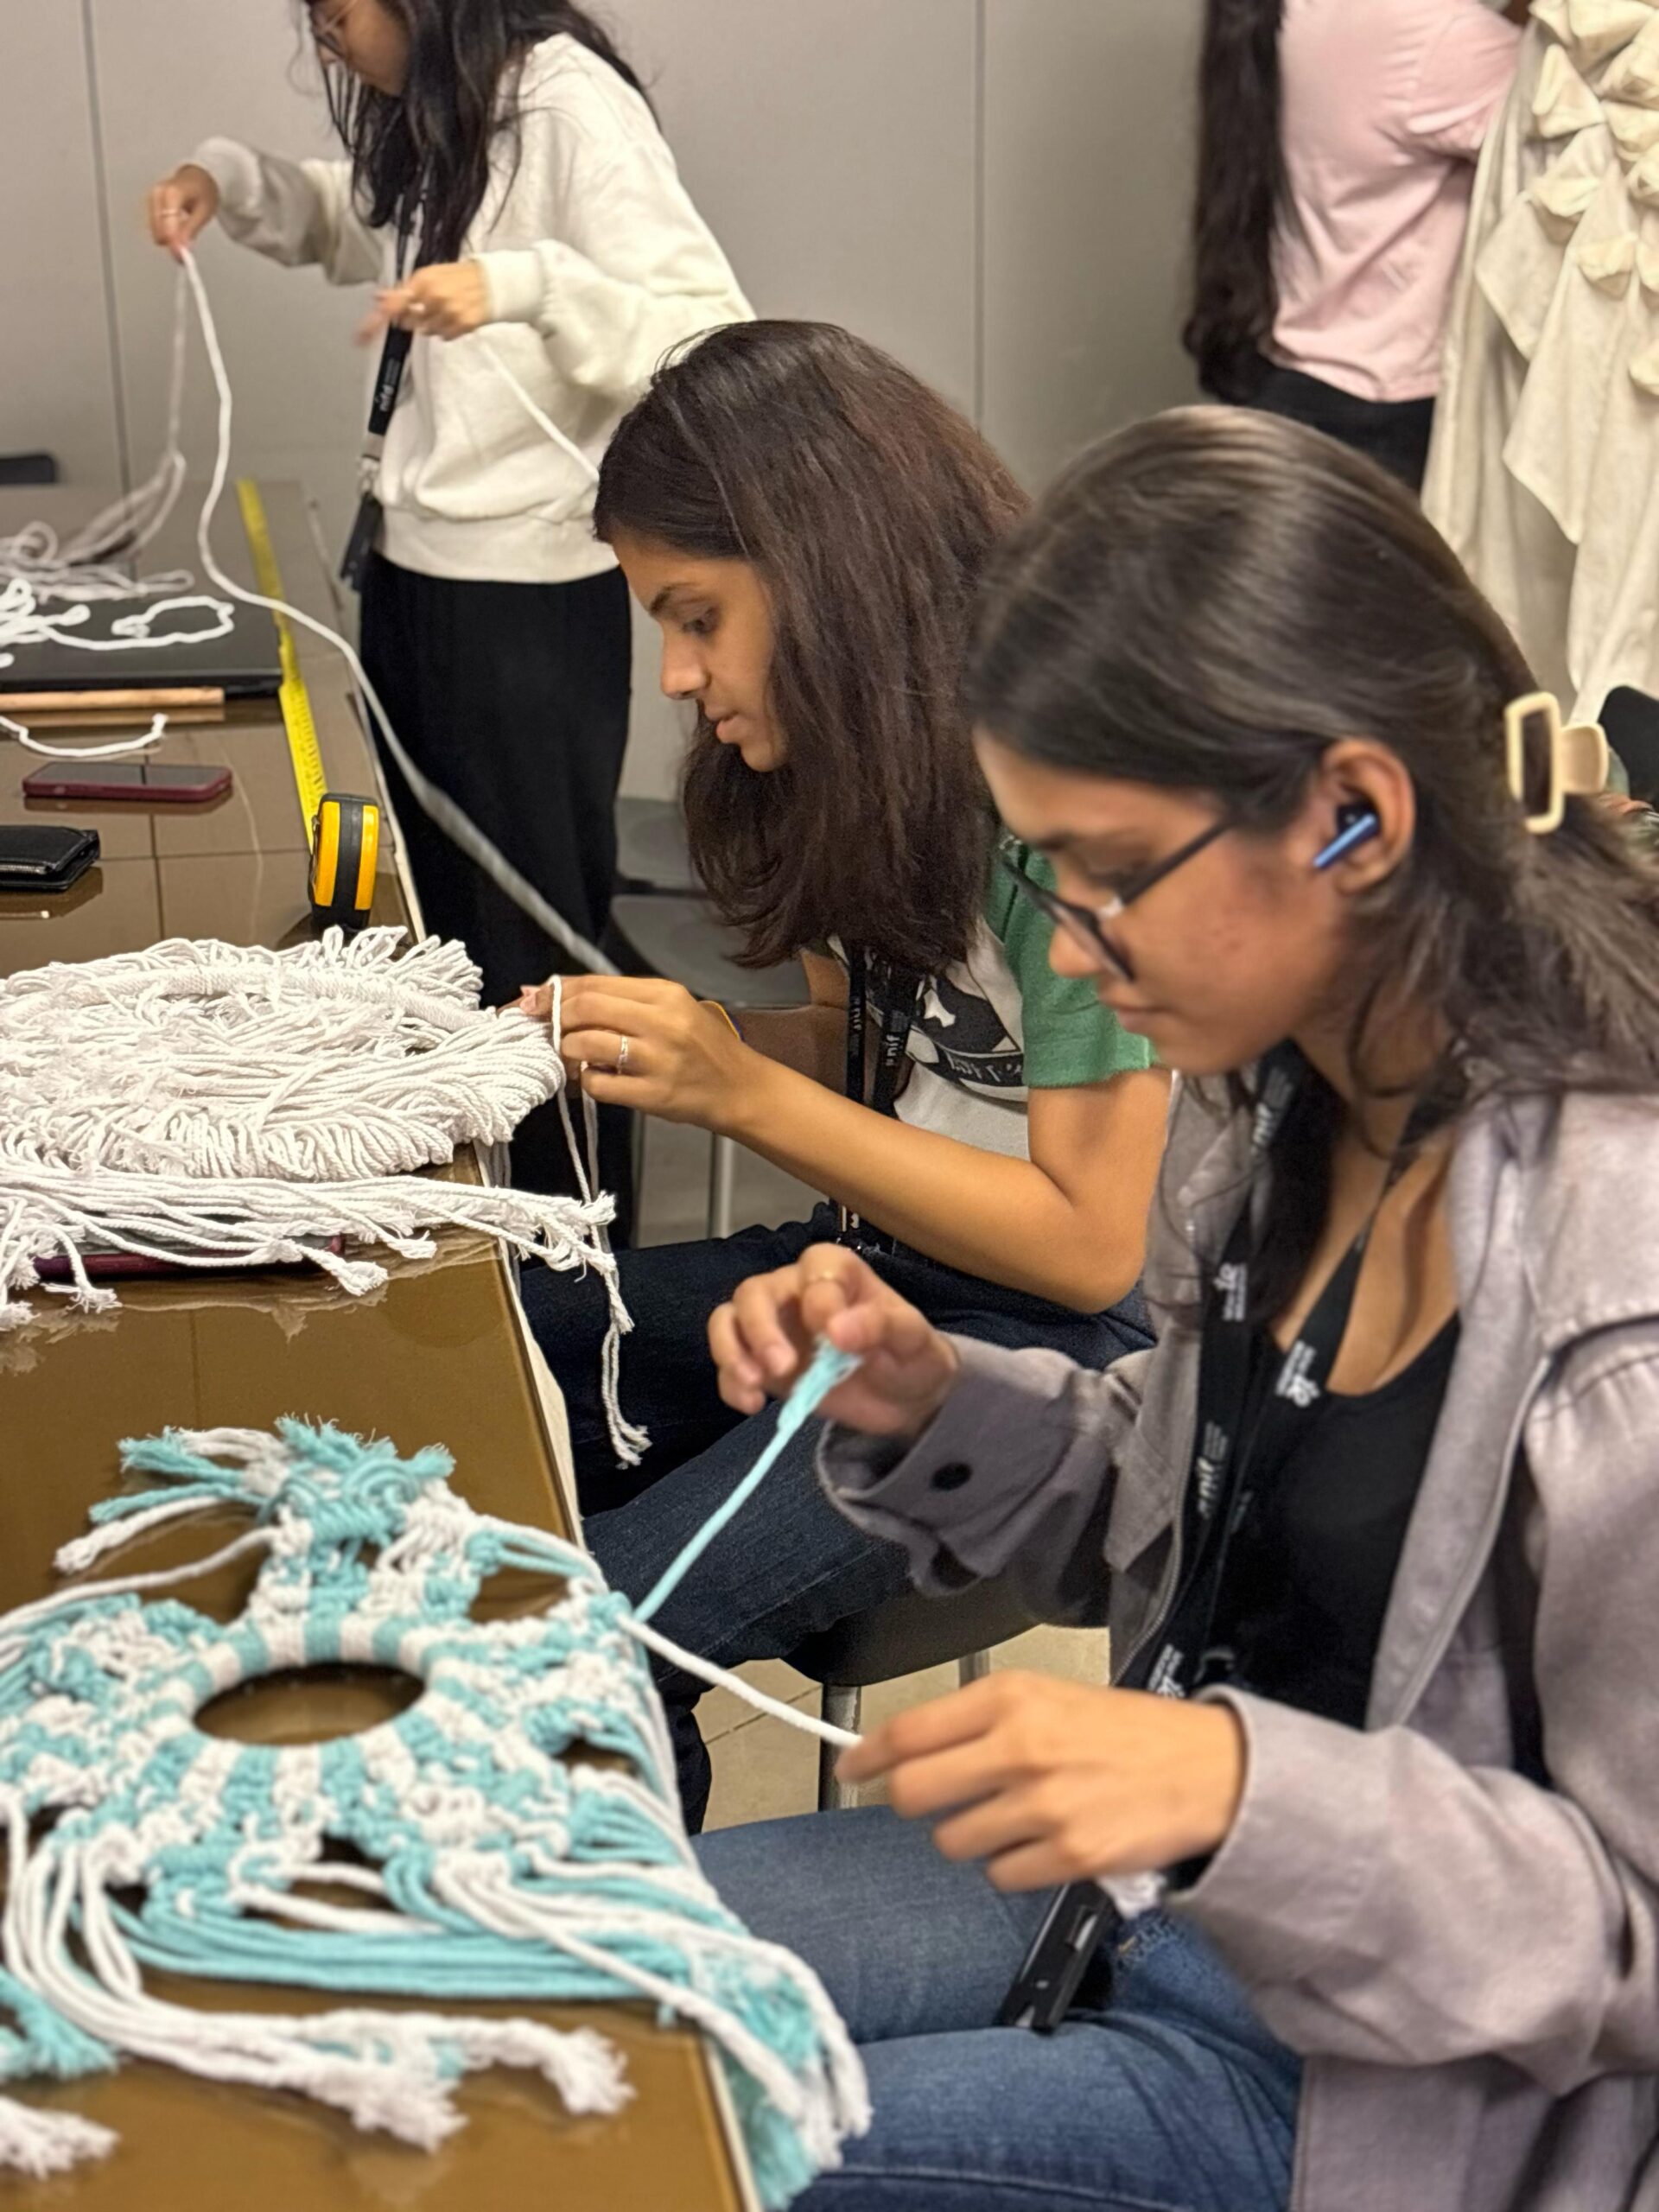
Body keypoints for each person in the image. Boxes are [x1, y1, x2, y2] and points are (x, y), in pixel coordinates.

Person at [696, 407, 1659, 2212]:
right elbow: (1184, 1508)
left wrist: (1230, 1784)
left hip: (1364, 2103)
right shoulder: (1284, 1084)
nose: (1068, 949)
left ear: (1356, 814)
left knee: (640, 2145)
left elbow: (1635, 1934)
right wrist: (934, 1401)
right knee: (564, 1978)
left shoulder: (1625, 1295)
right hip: (1152, 1903)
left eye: (1112, 873)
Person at [515, 321, 1170, 1828]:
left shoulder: (1056, 797)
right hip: (880, 1271)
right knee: (516, 1357)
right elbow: (892, 1070)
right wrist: (685, 1047)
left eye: (696, 619)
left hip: (1046, 1357)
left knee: (588, 1638)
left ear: (826, 577)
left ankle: (631, 1996)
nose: (676, 677)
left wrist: (742, 1091)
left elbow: (1087, 1248)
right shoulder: (837, 762)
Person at [149, 0, 750, 1216]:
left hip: (525, 607)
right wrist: (227, 179)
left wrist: (522, 288)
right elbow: (351, 221)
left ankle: (574, 1246)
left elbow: (703, 326)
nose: (326, 42)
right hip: (419, 578)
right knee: (442, 941)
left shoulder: (567, 100)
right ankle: (478, 1223)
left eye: (341, 14)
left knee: (534, 955)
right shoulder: (448, 104)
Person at [1186, 0, 1527, 489]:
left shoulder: (1302, 12)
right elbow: (1578, 123)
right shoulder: (1432, 32)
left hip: (1289, 374)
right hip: (1387, 410)